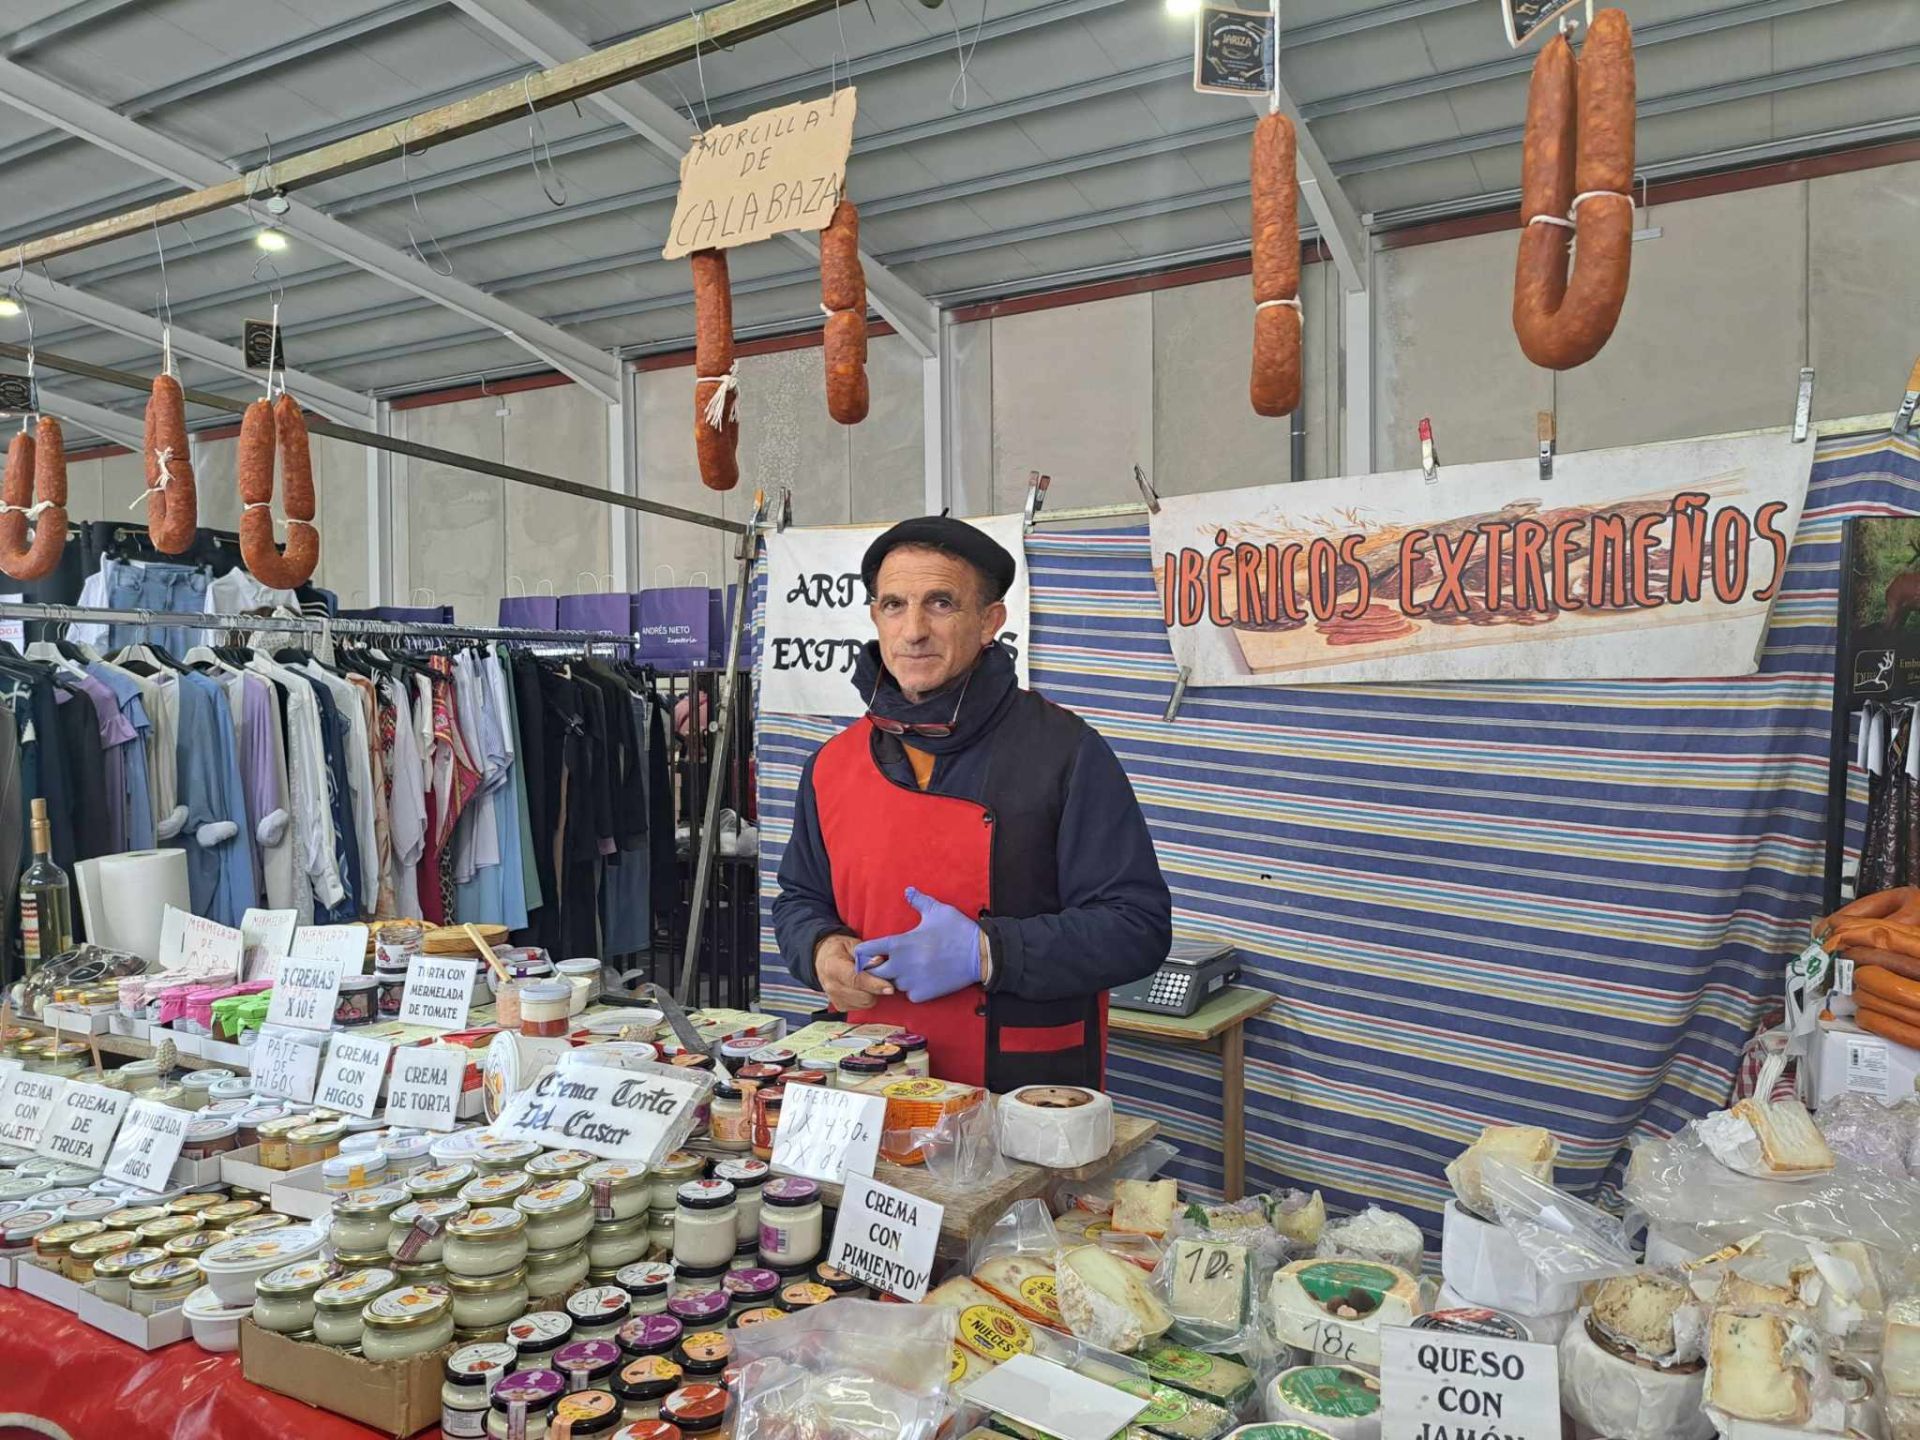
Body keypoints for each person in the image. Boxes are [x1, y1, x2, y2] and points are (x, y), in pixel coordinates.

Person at [772, 516, 1172, 1090]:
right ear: (874, 618)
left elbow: (1138, 927)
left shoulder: (1065, 751)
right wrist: (818, 950)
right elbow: (798, 898)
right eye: (893, 605)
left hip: (1023, 1085)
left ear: (990, 622)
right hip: (866, 1076)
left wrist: (989, 952)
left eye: (940, 603)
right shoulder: (832, 765)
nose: (913, 631)